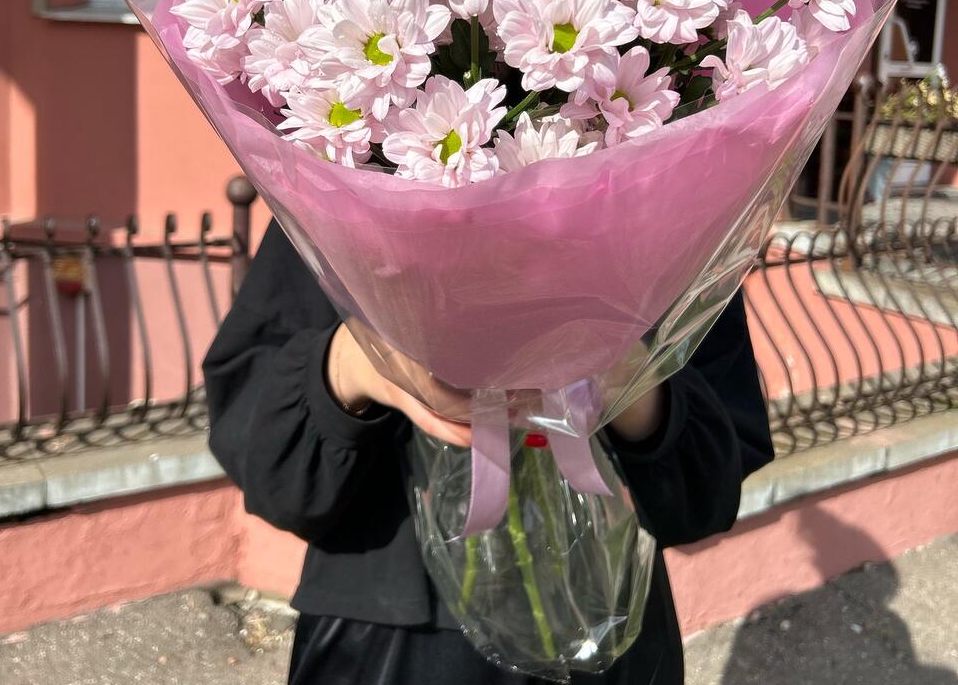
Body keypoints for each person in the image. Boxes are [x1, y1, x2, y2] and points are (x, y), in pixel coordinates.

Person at [203, 219, 775, 685]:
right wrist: (362, 364)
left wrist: (622, 369)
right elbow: (268, 463)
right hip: (394, 639)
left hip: (609, 619)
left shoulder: (668, 190)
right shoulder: (337, 172)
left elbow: (706, 494)